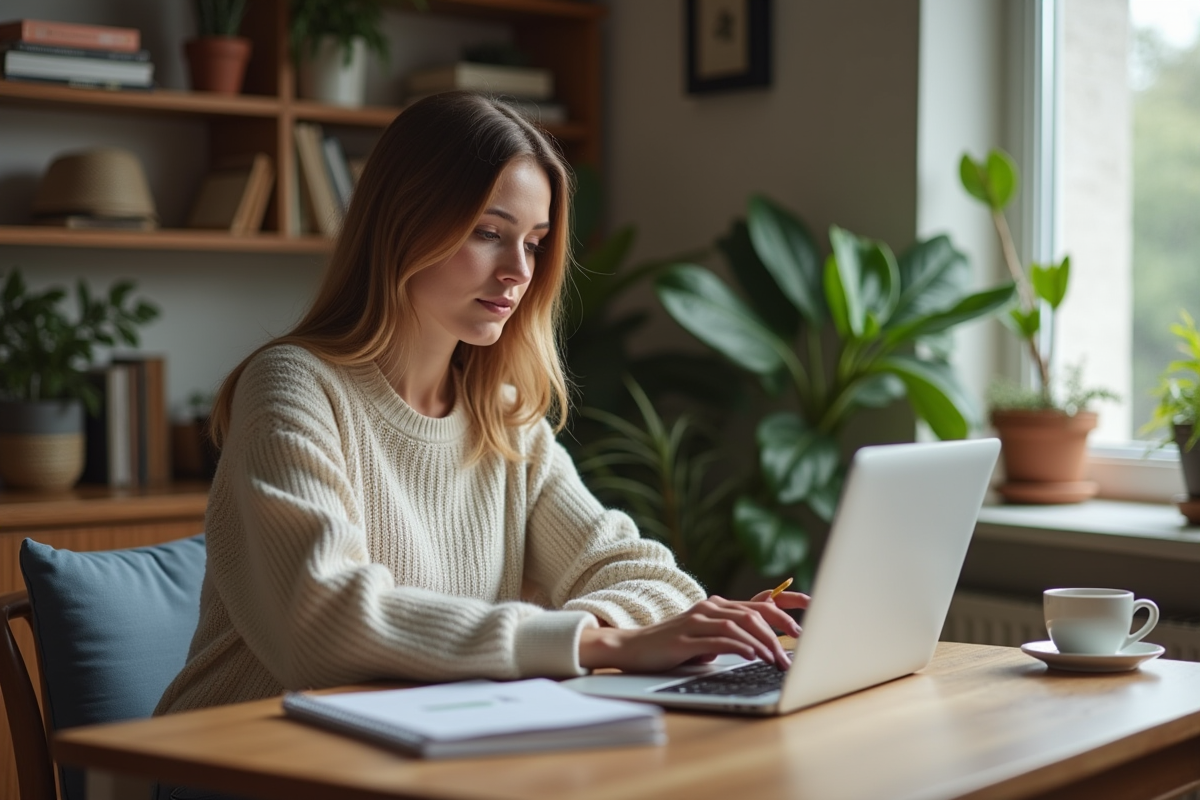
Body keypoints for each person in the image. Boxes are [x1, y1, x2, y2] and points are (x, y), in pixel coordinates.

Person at [155, 92, 807, 716]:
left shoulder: (501, 417)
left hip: (417, 745)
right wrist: (598, 642)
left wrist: (605, 626)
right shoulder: (293, 387)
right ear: (404, 225)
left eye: (533, 241)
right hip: (236, 763)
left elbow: (653, 580)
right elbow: (325, 625)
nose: (520, 272)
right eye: (490, 232)